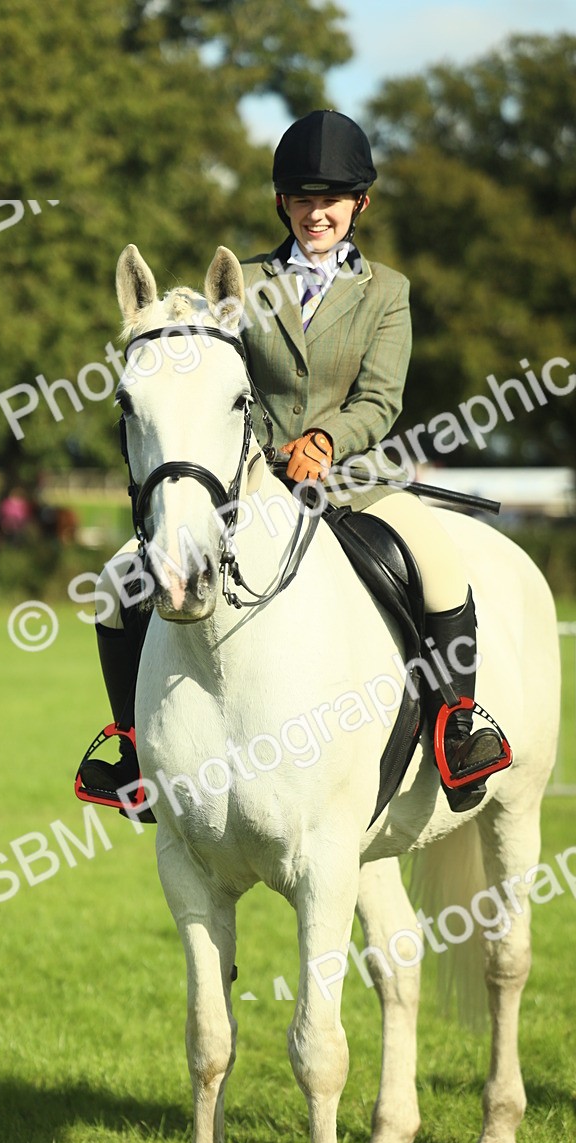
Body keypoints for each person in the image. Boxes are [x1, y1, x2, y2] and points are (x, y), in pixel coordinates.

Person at [77, 109, 505, 818]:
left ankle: (456, 724)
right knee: (117, 583)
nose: (317, 213)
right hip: (250, 485)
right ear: (283, 202)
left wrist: (328, 441)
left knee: (438, 563)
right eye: (304, 198)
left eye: (332, 199)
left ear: (360, 204)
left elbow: (381, 398)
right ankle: (130, 743)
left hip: (352, 482)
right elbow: (204, 371)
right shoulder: (240, 282)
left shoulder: (387, 292)